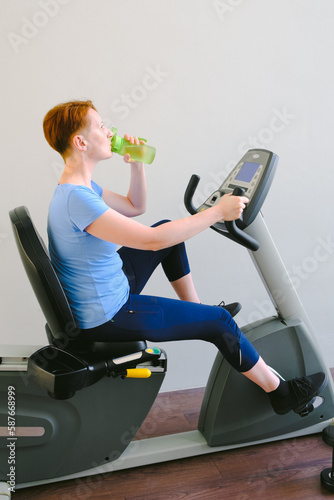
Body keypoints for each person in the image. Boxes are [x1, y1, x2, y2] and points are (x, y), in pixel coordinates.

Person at [43, 99, 326, 416]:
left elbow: (136, 206)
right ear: (81, 142)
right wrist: (217, 211)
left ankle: (196, 310)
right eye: (101, 126)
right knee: (219, 322)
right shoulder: (78, 199)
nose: (109, 132)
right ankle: (282, 393)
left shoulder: (78, 188)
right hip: (108, 313)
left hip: (105, 287)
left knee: (169, 230)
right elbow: (150, 242)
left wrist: (136, 164)